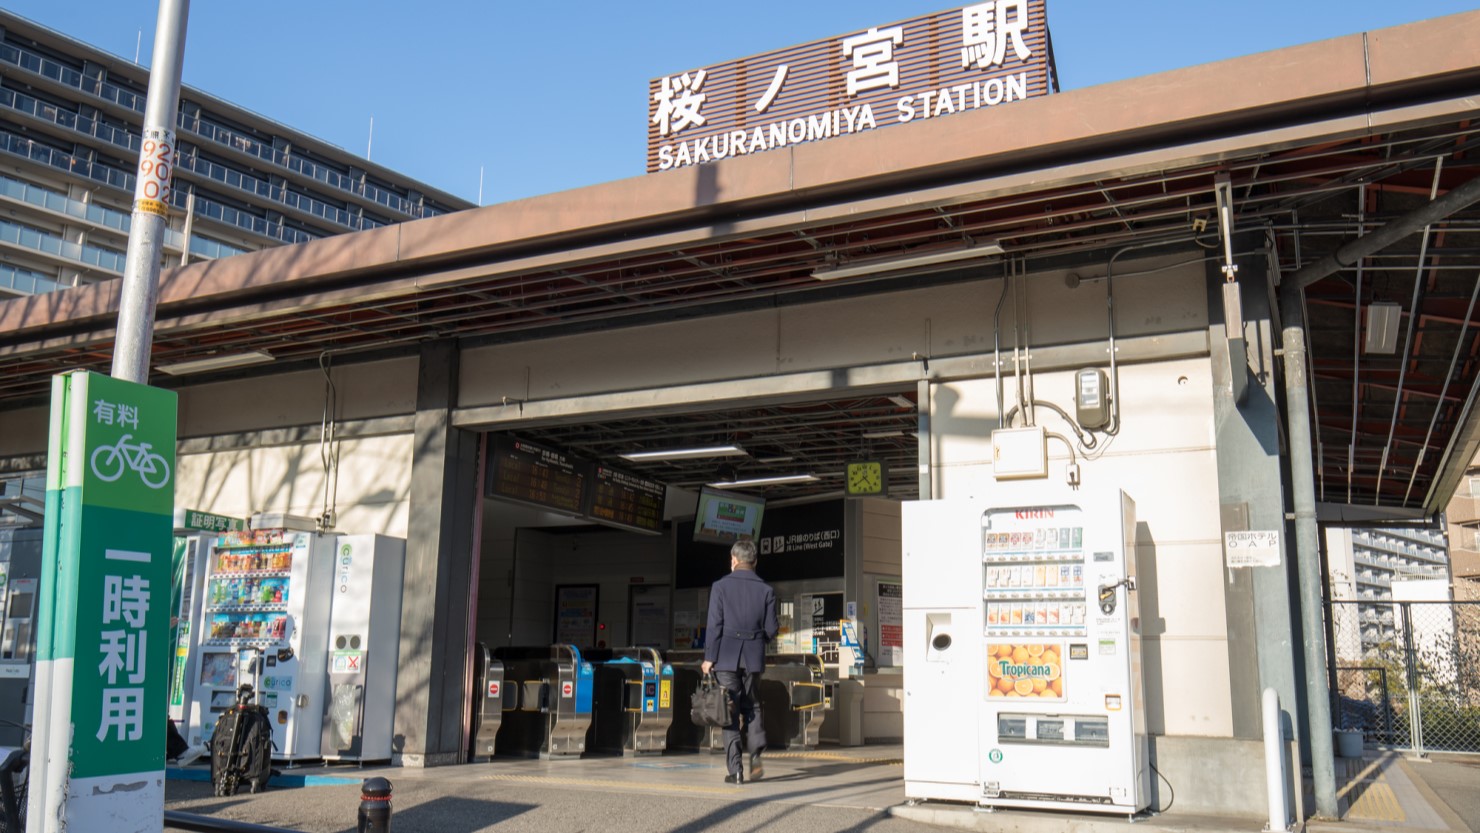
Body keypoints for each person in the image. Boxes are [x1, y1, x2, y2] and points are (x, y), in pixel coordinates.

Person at [701, 539, 778, 784]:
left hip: (725, 657)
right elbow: (772, 629)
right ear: (755, 562)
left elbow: (714, 626)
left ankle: (735, 771)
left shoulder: (720, 587)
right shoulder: (766, 590)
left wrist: (708, 658)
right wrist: (757, 639)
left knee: (729, 712)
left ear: (734, 560)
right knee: (753, 706)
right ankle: (755, 756)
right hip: (753, 658)